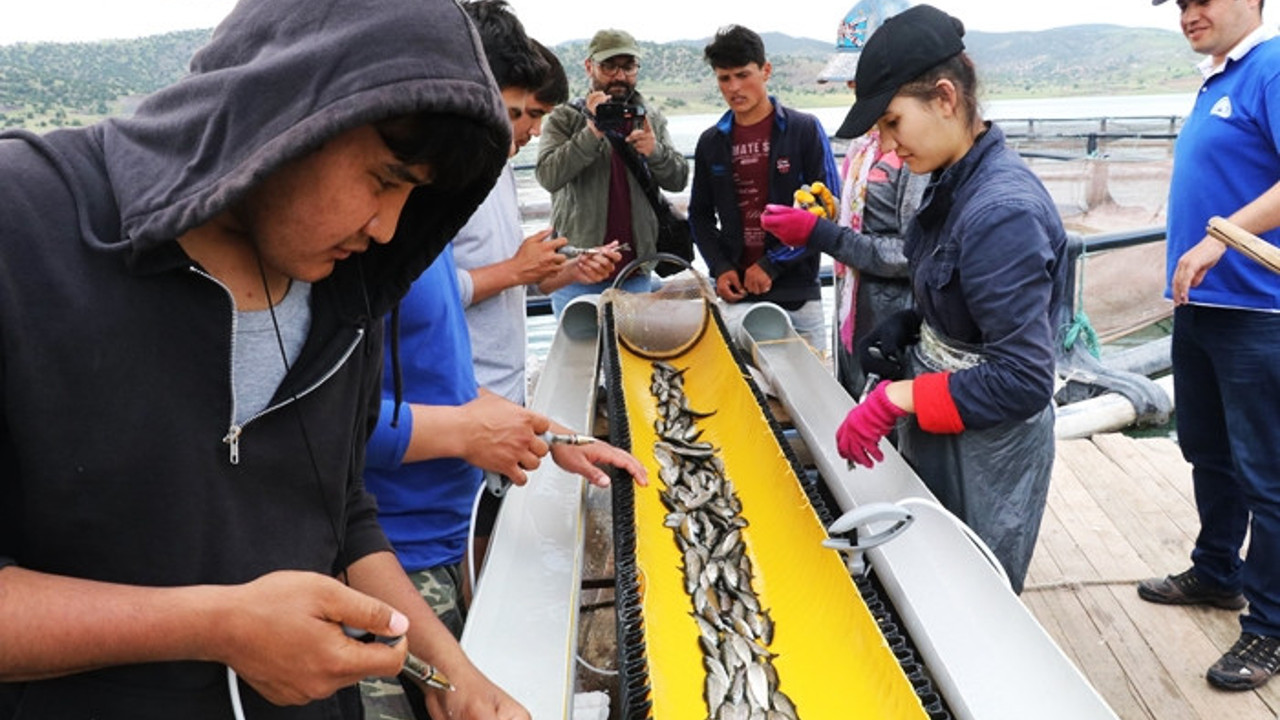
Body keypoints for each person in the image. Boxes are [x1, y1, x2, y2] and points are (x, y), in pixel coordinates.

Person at [0, 0, 529, 718]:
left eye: (416, 195)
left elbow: (342, 514)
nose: (387, 228)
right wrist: (216, 627)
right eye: (383, 179)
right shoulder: (22, 221)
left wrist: (450, 672)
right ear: (284, 115)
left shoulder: (350, 284)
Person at [763, 4, 1067, 594]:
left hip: (987, 451)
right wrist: (910, 322)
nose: (887, 143)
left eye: (892, 122)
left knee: (971, 588)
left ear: (945, 98)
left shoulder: (1002, 212)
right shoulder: (948, 180)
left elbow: (1025, 379)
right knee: (929, 569)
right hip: (946, 422)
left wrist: (895, 398)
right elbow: (962, 298)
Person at [1136, 0, 1280, 692]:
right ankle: (1218, 569)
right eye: (1181, 3)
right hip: (1202, 309)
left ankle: (1271, 626)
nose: (1189, 12)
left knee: (1268, 475)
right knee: (1208, 453)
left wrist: (1221, 238)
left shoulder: (1272, 66)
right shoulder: (1218, 78)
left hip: (1258, 312)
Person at [688, 24, 841, 354]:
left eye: (743, 75)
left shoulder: (803, 129)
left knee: (812, 384)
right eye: (724, 78)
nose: (734, 87)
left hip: (798, 295)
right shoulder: (711, 142)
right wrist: (720, 267)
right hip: (737, 295)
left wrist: (774, 263)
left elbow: (828, 210)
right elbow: (699, 215)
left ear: (766, 70)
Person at [805, 0, 930, 396]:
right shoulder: (865, 141)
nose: (851, 87)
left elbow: (914, 253)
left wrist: (828, 236)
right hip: (853, 311)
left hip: (895, 328)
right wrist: (832, 214)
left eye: (859, 76)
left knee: (886, 421)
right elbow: (862, 219)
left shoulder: (918, 152)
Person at [536, 28, 690, 317]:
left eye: (628, 66)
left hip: (636, 271)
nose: (619, 75)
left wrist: (654, 152)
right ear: (589, 66)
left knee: (635, 347)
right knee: (582, 348)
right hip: (577, 271)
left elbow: (679, 179)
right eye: (609, 66)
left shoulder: (650, 118)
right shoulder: (565, 117)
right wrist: (591, 131)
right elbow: (548, 176)